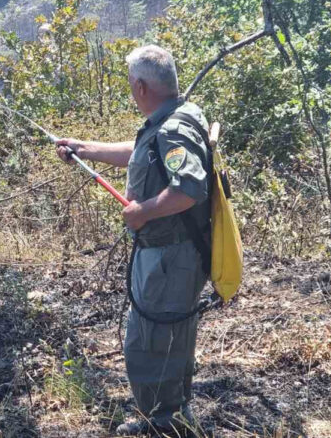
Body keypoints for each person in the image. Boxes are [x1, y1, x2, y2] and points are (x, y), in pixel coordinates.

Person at [55, 45, 211, 437]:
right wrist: (83, 148)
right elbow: (142, 153)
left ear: (141, 86)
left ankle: (159, 422)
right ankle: (173, 416)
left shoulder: (173, 129)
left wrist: (142, 212)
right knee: (170, 337)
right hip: (172, 255)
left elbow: (190, 189)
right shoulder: (175, 117)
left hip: (169, 258)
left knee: (147, 342)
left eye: (130, 84)